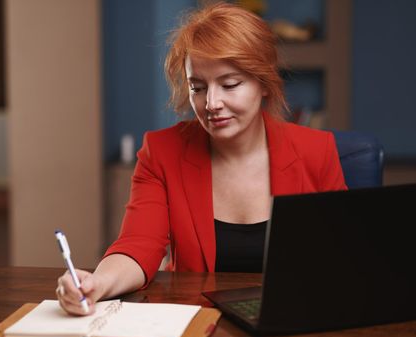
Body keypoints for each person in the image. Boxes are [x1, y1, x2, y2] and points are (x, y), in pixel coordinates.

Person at [56, 1, 347, 315]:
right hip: (196, 324)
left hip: (291, 320)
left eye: (230, 84)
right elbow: (137, 246)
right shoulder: (162, 152)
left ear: (263, 82)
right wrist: (98, 284)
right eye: (198, 87)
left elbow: (344, 255)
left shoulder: (317, 150)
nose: (211, 103)